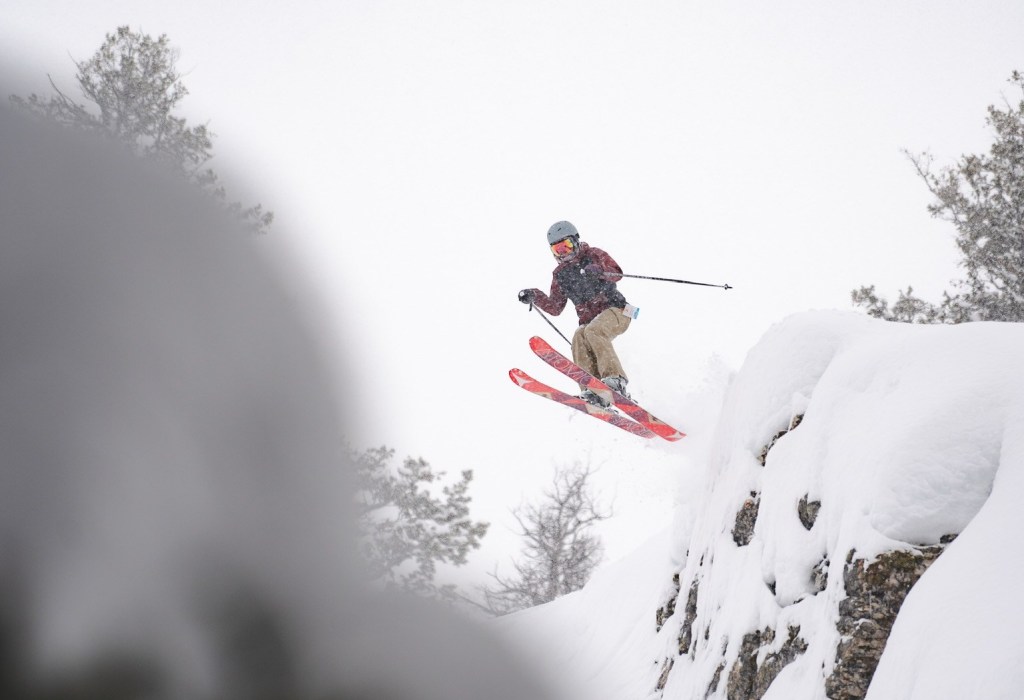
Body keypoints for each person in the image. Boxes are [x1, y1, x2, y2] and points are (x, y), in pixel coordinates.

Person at [519, 221, 634, 407]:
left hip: (618, 310)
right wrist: (535, 296)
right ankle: (593, 391)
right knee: (579, 338)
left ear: (576, 241)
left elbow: (616, 273)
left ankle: (616, 380)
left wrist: (598, 271)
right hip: (589, 321)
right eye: (558, 250)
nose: (563, 253)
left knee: (593, 331)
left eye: (566, 246)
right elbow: (555, 306)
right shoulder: (561, 275)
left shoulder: (593, 255)